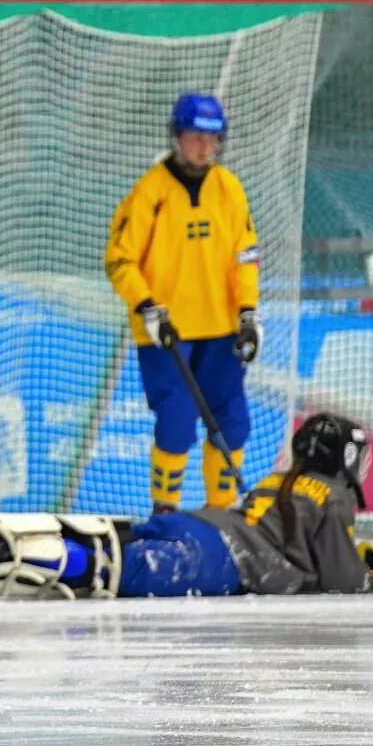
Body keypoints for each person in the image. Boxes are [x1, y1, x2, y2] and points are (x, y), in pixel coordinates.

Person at [0, 413, 373, 599]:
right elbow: (338, 576)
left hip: (197, 521)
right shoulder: (332, 496)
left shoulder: (276, 480)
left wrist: (360, 555)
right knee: (115, 569)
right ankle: (9, 551)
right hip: (224, 559)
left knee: (112, 540)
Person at [103, 92, 263, 514]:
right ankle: (165, 512)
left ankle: (223, 514)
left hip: (220, 330)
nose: (204, 148)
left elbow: (244, 257)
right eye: (195, 137)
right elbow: (119, 260)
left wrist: (247, 311)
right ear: (177, 136)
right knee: (175, 422)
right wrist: (147, 306)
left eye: (212, 140)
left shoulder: (229, 189)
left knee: (232, 422)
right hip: (167, 334)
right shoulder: (150, 192)